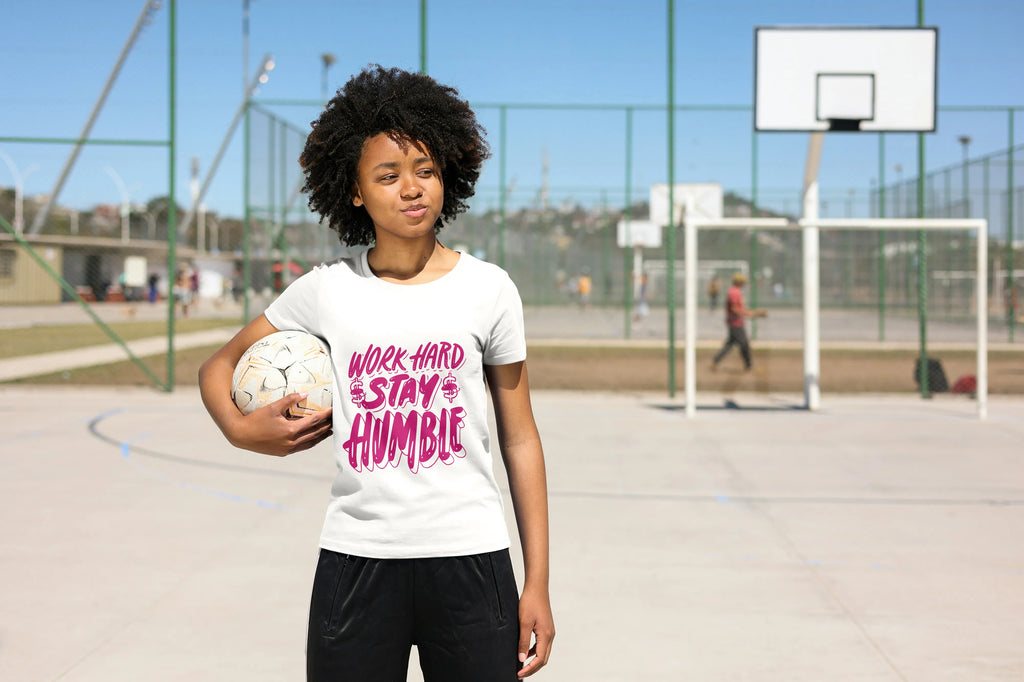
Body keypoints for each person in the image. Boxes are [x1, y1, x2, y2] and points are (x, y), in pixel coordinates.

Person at [198, 65, 554, 681]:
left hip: (471, 558)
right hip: (357, 560)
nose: (411, 188)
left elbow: (520, 438)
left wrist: (538, 582)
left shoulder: (490, 289)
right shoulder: (325, 290)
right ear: (355, 191)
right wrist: (238, 429)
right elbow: (217, 365)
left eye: (425, 171)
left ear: (448, 177)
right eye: (387, 175)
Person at [711, 271, 765, 371]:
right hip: (735, 323)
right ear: (739, 282)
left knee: (730, 344)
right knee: (744, 344)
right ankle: (749, 365)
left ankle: (716, 360)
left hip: (736, 322)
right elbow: (735, 309)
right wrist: (751, 314)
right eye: (743, 281)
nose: (745, 283)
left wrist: (753, 313)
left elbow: (740, 308)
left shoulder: (736, 291)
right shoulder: (734, 293)